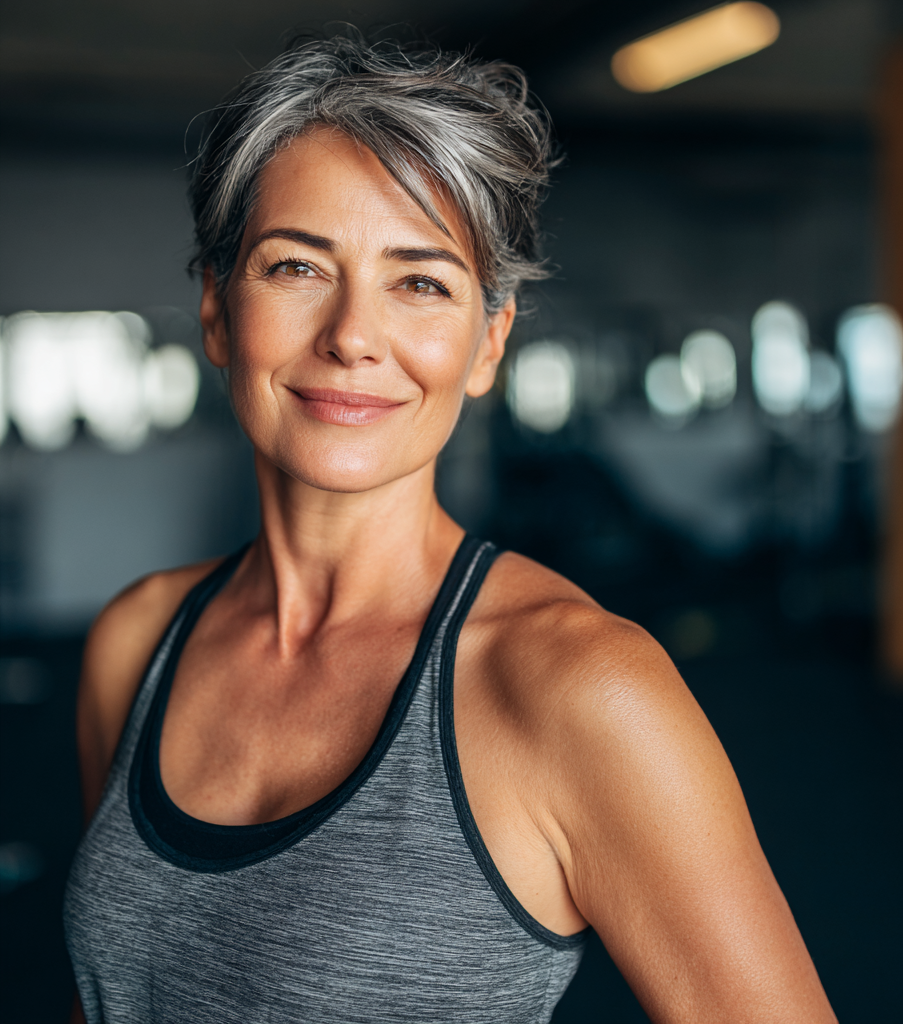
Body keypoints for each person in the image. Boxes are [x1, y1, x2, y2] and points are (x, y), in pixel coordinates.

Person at [64, 34, 837, 1024]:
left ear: (488, 343)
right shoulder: (137, 643)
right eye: (296, 266)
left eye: (421, 281)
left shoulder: (578, 688)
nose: (352, 334)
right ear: (217, 308)